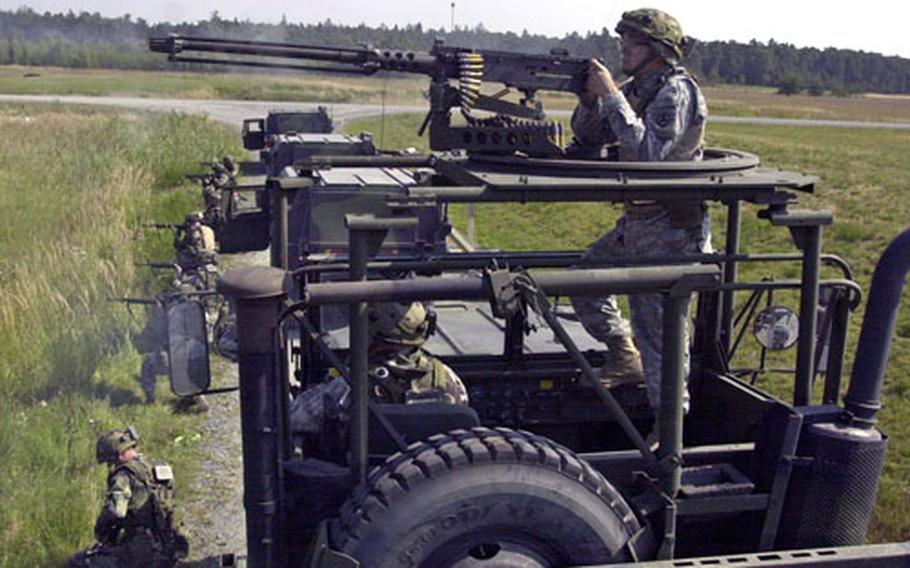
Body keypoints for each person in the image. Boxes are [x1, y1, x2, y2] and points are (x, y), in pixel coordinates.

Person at [569, 9, 710, 425]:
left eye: (634, 43)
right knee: (585, 280)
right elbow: (591, 136)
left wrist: (611, 94)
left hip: (670, 228)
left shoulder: (675, 92)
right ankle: (622, 355)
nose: (624, 50)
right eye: (623, 42)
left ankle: (669, 432)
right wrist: (588, 99)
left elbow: (649, 155)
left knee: (661, 335)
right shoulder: (637, 89)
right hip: (638, 222)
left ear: (660, 50)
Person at [288, 301, 467, 435]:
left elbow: (294, 418)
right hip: (437, 476)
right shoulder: (446, 376)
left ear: (375, 336)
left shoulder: (350, 385)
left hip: (370, 477)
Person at [67, 427, 188, 568]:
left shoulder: (123, 476)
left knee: (77, 562)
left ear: (118, 456)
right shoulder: (158, 467)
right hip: (171, 546)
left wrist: (101, 530)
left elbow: (116, 512)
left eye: (110, 462)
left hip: (146, 552)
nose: (110, 466)